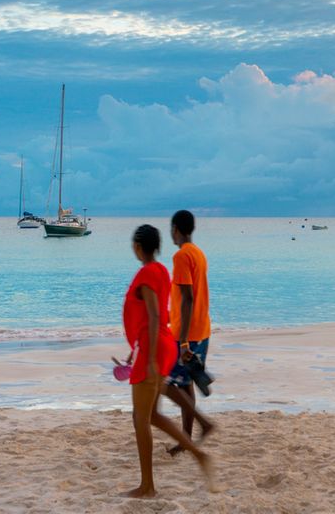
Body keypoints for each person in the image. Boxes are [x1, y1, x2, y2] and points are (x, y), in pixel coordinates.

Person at [120, 224, 214, 498]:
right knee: (152, 416)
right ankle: (198, 455)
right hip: (157, 345)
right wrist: (136, 349)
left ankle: (147, 486)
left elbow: (154, 315)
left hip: (154, 349)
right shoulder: (161, 270)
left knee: (141, 418)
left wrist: (148, 359)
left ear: (138, 246)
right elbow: (157, 315)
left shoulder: (148, 272)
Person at [163, 210, 215, 455]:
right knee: (185, 386)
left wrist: (182, 341)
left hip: (188, 333)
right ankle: (186, 439)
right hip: (202, 329)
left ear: (176, 229)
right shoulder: (199, 253)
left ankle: (201, 425)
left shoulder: (182, 255)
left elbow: (187, 298)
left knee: (166, 383)